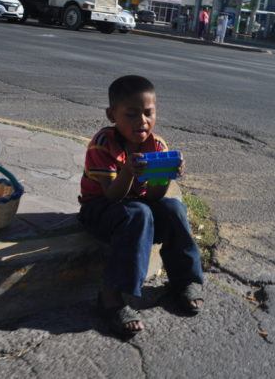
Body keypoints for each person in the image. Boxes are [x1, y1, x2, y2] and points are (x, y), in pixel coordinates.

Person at [78, 75, 205, 338]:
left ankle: (183, 281)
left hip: (136, 211)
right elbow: (112, 197)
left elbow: (155, 196)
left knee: (172, 209)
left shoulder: (156, 145)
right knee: (139, 213)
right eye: (132, 114)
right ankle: (111, 297)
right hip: (99, 210)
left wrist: (167, 174)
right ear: (112, 115)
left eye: (149, 113)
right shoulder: (102, 145)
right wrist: (127, 172)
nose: (142, 121)